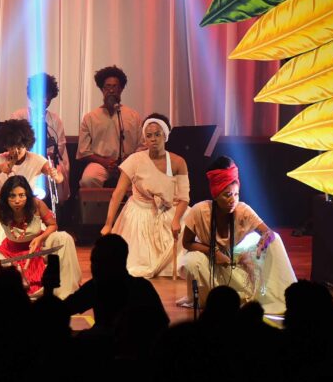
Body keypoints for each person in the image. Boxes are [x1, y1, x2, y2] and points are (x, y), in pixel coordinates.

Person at [179, 156, 297, 314]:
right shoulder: (199, 210)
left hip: (235, 262)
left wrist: (265, 239)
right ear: (215, 194)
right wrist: (213, 252)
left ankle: (273, 295)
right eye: (227, 195)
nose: (232, 200)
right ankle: (207, 298)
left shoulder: (243, 210)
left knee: (276, 239)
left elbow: (267, 231)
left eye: (236, 194)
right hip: (210, 262)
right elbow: (186, 243)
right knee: (192, 261)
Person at [100, 113, 189, 278]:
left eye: (157, 134)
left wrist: (176, 220)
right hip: (139, 213)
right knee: (133, 264)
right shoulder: (135, 160)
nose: (153, 139)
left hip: (167, 211)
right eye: (149, 136)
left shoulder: (178, 162)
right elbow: (118, 193)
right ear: (145, 139)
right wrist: (108, 224)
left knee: (190, 222)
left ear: (165, 135)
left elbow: (184, 197)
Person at [0, 176, 81, 298]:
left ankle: (65, 293)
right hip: (10, 254)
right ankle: (1, 295)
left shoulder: (37, 205)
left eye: (21, 195)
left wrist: (40, 238)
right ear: (6, 197)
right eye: (12, 196)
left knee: (64, 237)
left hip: (38, 250)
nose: (17, 200)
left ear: (27, 195)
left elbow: (53, 225)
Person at [63, 233, 169, 332]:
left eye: (98, 262)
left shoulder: (97, 287)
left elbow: (64, 308)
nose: (93, 268)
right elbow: (163, 323)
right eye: (94, 262)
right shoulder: (143, 286)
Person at [76, 65, 142, 190]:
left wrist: (128, 161)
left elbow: (142, 146)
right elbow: (83, 151)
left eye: (115, 86)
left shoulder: (133, 116)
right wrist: (105, 162)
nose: (111, 90)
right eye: (107, 86)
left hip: (129, 163)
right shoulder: (90, 117)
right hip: (100, 164)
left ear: (121, 89)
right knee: (88, 179)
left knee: (142, 181)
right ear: (102, 89)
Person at [12, 72, 70, 203]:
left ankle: (51, 206)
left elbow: (60, 145)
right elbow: (14, 142)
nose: (45, 100)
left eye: (48, 97)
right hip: (24, 159)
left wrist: (46, 158)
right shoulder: (19, 115)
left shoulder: (55, 119)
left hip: (49, 160)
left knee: (55, 171)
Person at [0, 118, 64, 210]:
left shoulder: (36, 159)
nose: (16, 151)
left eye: (19, 147)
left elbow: (59, 178)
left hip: (27, 204)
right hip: (4, 202)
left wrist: (55, 175)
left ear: (26, 145)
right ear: (6, 146)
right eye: (12, 147)